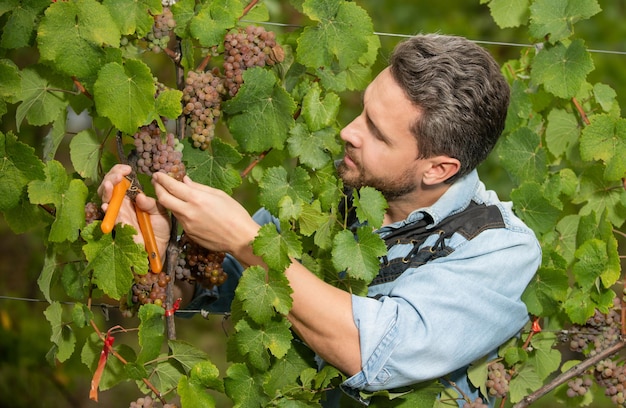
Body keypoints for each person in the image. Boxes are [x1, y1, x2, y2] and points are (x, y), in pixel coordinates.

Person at [98, 34, 541, 407]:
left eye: (376, 131)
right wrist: (160, 255)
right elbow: (225, 287)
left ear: (438, 169)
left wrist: (246, 240)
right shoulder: (333, 191)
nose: (349, 131)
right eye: (363, 110)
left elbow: (376, 350)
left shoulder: (499, 248)